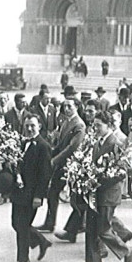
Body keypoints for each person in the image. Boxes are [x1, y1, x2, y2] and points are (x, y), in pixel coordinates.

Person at [79, 110, 132, 262]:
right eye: (94, 125)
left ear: (109, 126)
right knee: (91, 229)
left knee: (103, 230)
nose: (95, 128)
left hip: (108, 194)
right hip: (95, 194)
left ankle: (126, 251)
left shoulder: (116, 143)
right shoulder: (97, 143)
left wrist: (100, 180)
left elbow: (123, 170)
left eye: (98, 125)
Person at [9, 114, 53, 262]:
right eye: (27, 125)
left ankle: (23, 260)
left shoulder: (43, 146)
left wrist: (39, 196)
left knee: (22, 226)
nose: (29, 128)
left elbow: (45, 174)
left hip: (32, 194)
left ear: (39, 126)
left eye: (32, 125)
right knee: (16, 223)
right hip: (19, 192)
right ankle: (41, 241)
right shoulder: (20, 143)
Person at [38, 97, 86, 233]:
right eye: (65, 106)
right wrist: (50, 154)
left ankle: (80, 224)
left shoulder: (79, 125)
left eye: (70, 106)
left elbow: (72, 147)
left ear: (77, 107)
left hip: (72, 165)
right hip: (62, 164)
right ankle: (50, 223)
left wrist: (55, 160)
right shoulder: (66, 122)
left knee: (76, 197)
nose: (67, 109)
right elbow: (60, 145)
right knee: (53, 193)